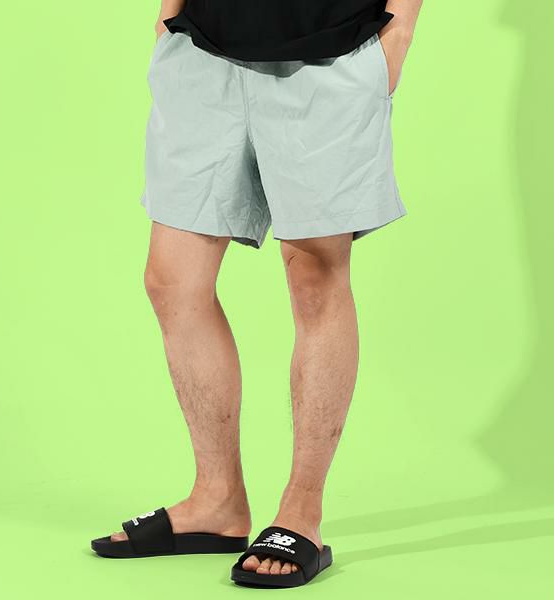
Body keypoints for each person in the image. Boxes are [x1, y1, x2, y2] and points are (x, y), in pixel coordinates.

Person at [91, 0, 423, 588]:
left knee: (314, 278)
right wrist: (168, 18)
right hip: (200, 51)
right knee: (172, 281)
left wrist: (398, 34)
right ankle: (216, 500)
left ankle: (301, 512)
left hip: (330, 49)